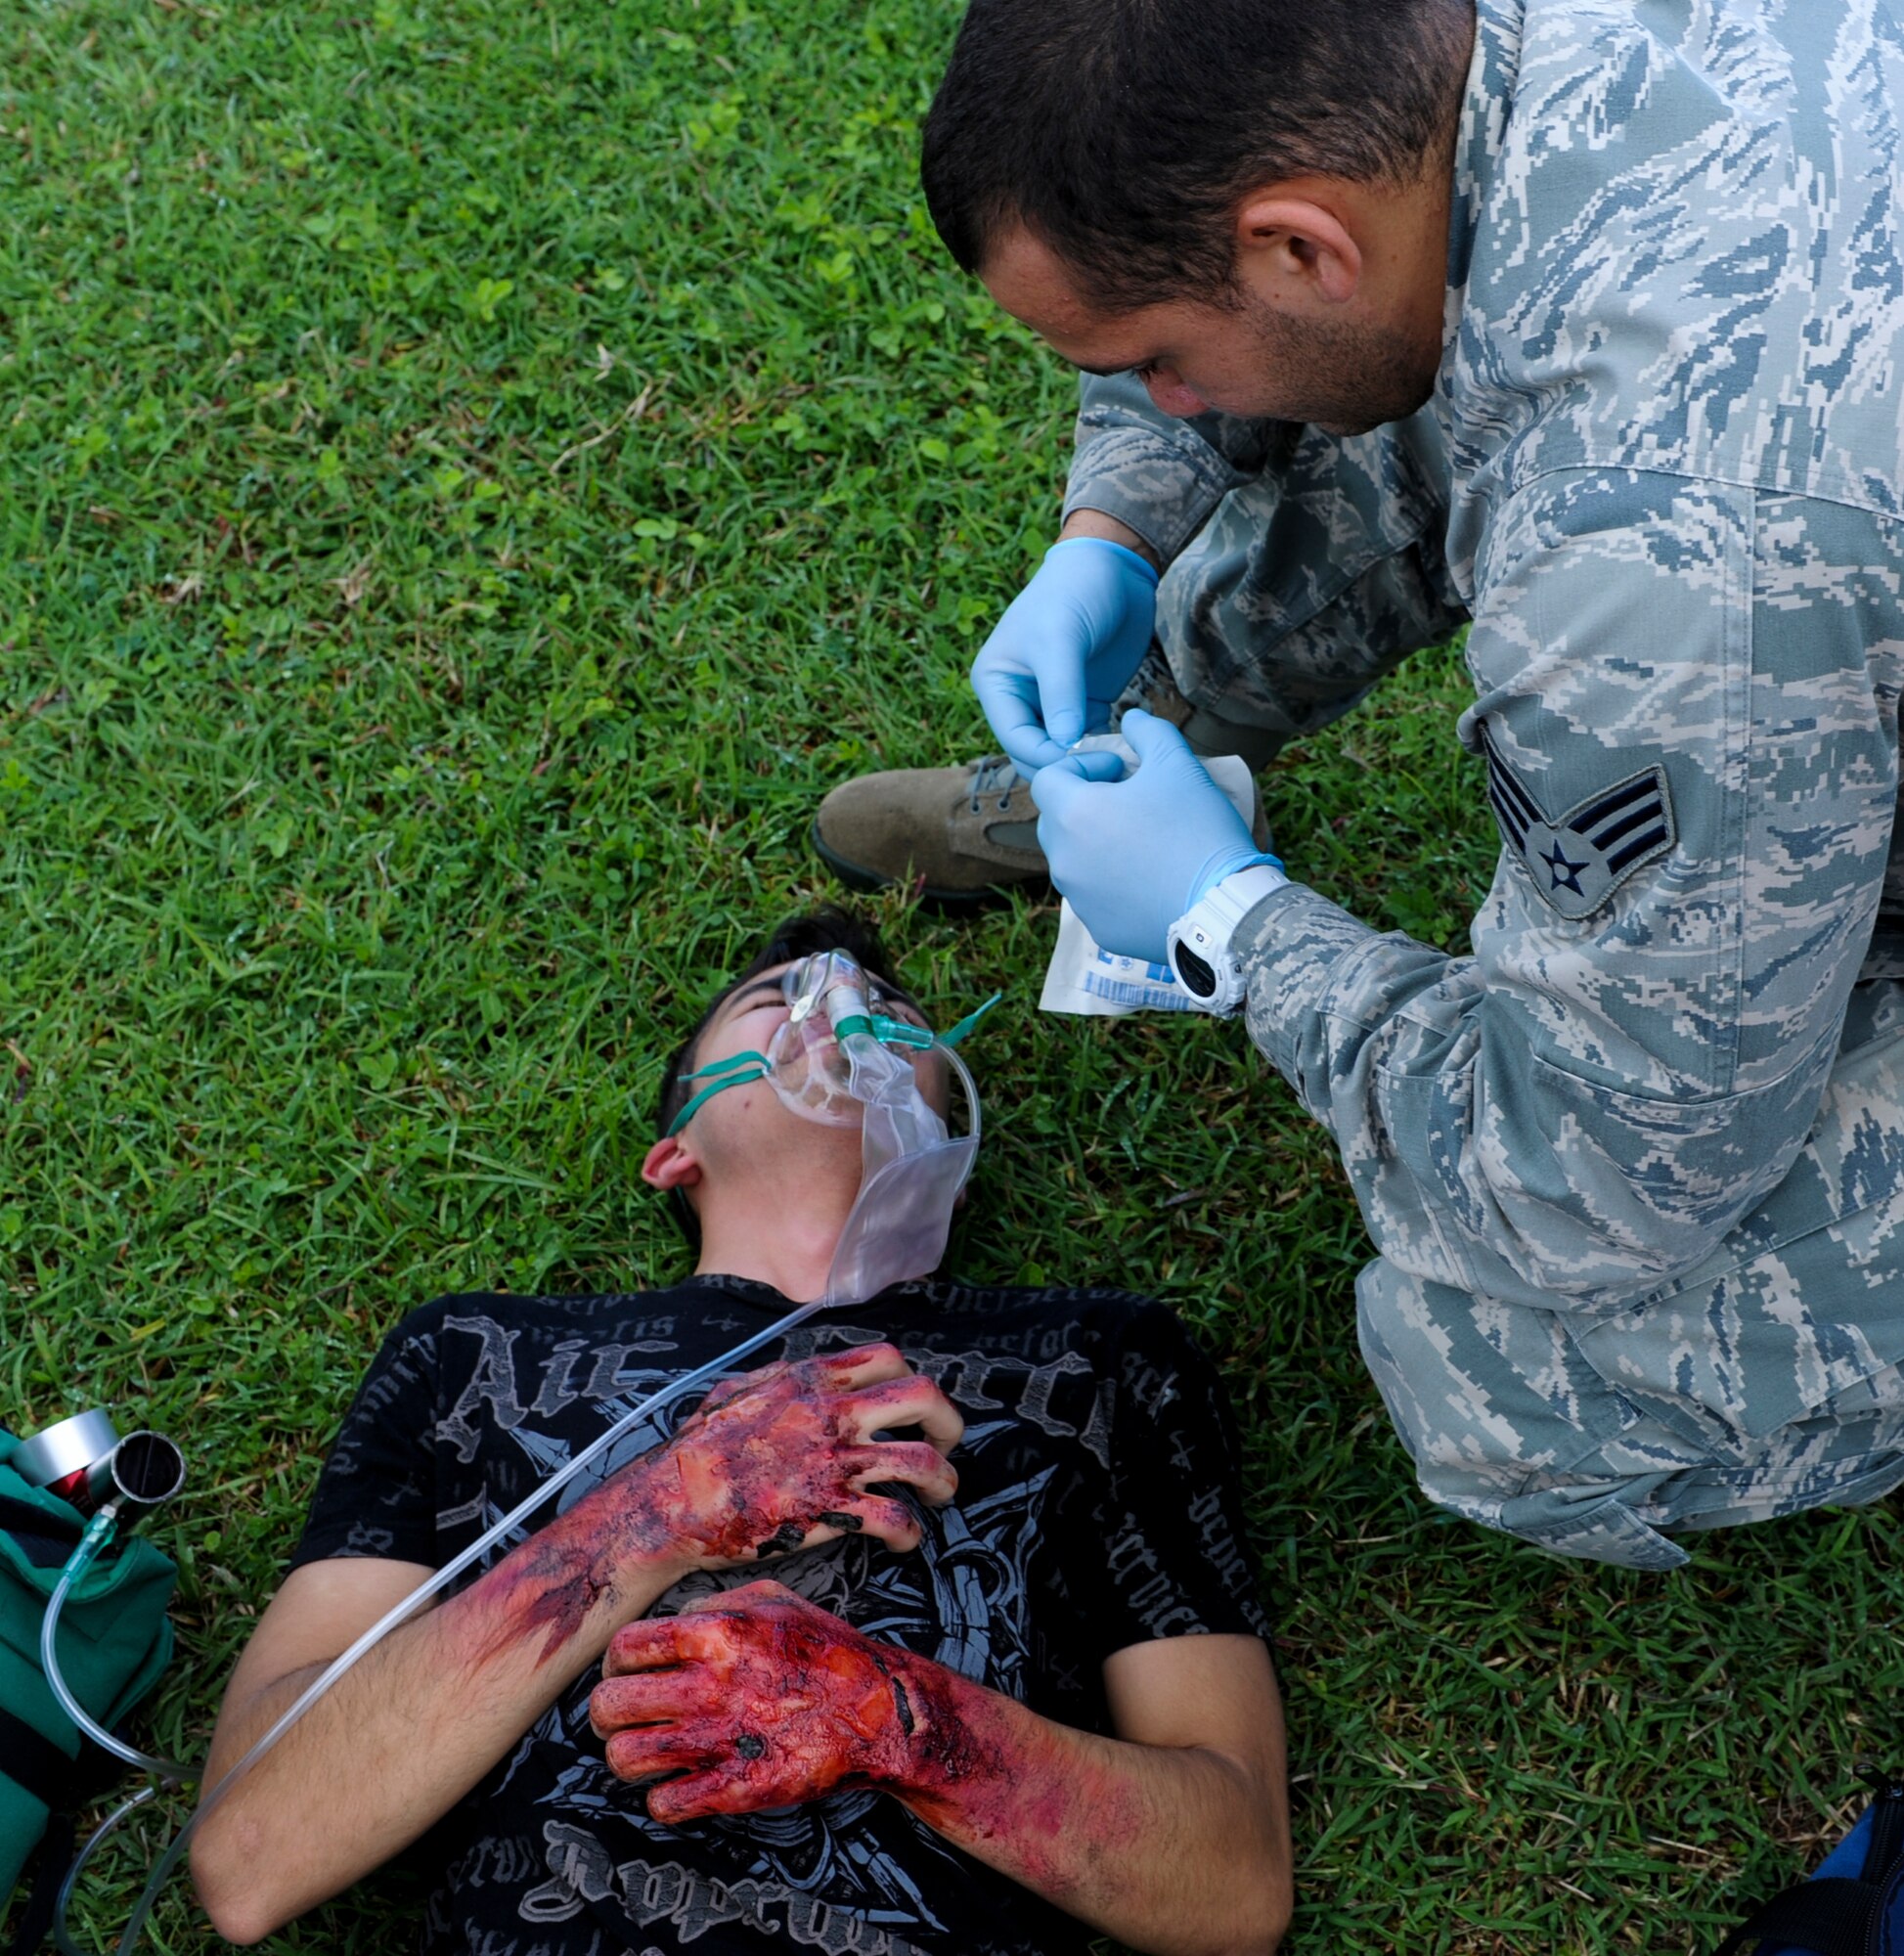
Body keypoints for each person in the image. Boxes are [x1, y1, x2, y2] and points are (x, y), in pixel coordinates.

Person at [815, 0, 1904, 1572]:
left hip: (1760, 572)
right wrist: (1109, 527)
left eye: (1154, 363)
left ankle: (1163, 826)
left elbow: (1583, 1182)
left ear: (1294, 244)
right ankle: (1125, 760)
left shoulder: (1655, 562)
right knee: (1379, 374)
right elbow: (1257, 265)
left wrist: (1227, 926)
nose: (1159, 399)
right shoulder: (1443, 82)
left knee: (1499, 1378)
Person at [188, 910, 1292, 1956]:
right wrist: (654, 1513)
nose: (839, 1011)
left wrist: (895, 1718)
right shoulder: (472, 1353)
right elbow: (251, 1854)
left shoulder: (1100, 1358)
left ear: (945, 1149)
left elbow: (1234, 1888)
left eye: (893, 1014)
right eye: (774, 1002)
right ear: (675, 1150)